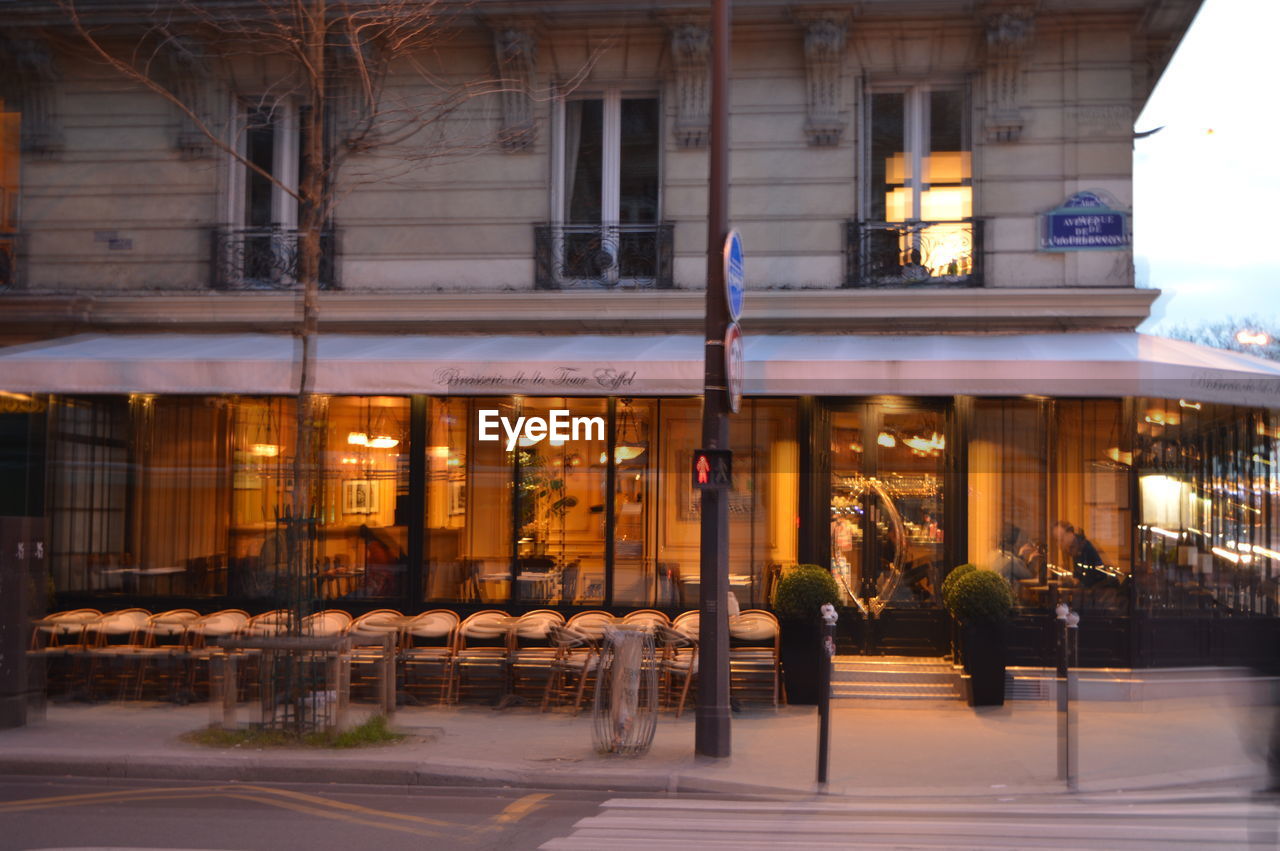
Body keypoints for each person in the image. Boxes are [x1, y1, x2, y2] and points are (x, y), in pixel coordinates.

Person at [1052, 521, 1109, 588]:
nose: (1058, 544)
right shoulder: (1071, 548)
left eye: (1061, 539)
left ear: (1070, 533)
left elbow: (1090, 576)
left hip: (1097, 588)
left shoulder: (1084, 547)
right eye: (1057, 540)